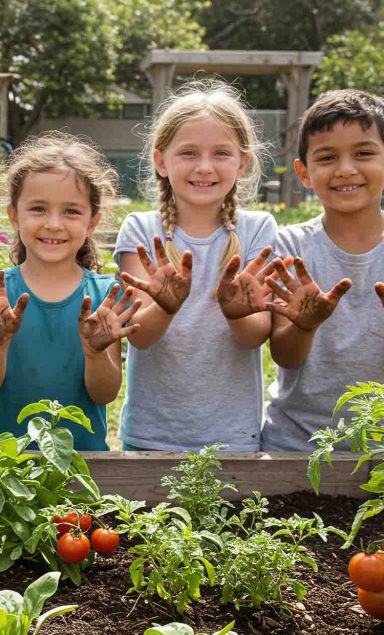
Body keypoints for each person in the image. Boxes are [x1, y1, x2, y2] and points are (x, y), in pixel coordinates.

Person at [115, 81, 280, 452]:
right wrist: (165, 306)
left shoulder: (260, 229)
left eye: (221, 153)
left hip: (234, 437)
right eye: (188, 153)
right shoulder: (141, 229)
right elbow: (139, 335)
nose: (204, 167)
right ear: (161, 161)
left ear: (243, 161)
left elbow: (255, 336)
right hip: (151, 435)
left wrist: (236, 312)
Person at [0, 132, 138, 450]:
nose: (54, 223)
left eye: (71, 211)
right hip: (4, 473)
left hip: (81, 469)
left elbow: (105, 394)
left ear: (92, 222)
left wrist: (96, 353)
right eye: (38, 209)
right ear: (13, 215)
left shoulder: (105, 296)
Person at [262, 90, 384, 451]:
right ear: (304, 172)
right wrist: (304, 323)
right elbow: (284, 356)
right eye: (327, 157)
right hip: (296, 442)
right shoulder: (291, 247)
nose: (346, 169)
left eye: (364, 153)